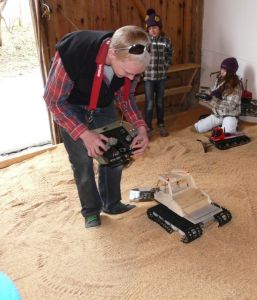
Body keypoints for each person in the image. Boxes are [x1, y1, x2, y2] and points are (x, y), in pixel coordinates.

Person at [43, 26, 151, 228]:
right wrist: (84, 134)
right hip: (70, 105)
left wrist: (141, 128)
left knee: (115, 154)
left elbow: (126, 98)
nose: (130, 78)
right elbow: (53, 101)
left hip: (102, 103)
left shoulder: (132, 62)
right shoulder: (73, 52)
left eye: (136, 75)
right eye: (127, 72)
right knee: (83, 162)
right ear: (112, 53)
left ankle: (112, 203)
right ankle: (91, 211)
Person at [143, 8, 173, 138]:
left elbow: (169, 55)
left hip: (161, 77)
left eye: (155, 27)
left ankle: (161, 124)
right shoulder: (145, 41)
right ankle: (147, 127)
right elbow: (140, 57)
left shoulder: (165, 40)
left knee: (160, 102)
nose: (153, 30)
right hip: (149, 78)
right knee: (149, 103)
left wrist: (165, 66)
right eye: (150, 28)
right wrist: (143, 70)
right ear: (147, 30)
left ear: (159, 28)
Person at [194, 57, 242, 134]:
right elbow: (213, 91)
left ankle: (231, 125)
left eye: (224, 70)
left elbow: (230, 106)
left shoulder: (235, 86)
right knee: (199, 127)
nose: (222, 71)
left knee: (227, 133)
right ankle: (220, 124)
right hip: (218, 114)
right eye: (221, 68)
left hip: (230, 115)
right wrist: (204, 95)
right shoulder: (220, 79)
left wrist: (211, 99)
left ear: (230, 71)